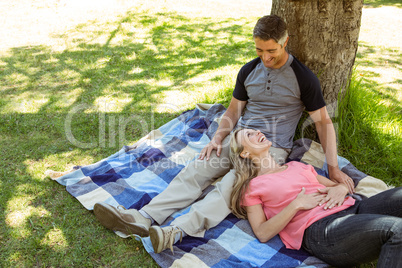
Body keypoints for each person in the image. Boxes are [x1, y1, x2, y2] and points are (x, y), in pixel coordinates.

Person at [93, 15, 355, 254]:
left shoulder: (303, 78)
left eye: (271, 50)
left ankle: (176, 231)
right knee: (196, 171)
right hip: (238, 139)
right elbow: (232, 112)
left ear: (286, 42)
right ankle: (144, 217)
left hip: (270, 148)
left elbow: (323, 123)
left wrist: (332, 169)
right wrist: (218, 138)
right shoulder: (248, 71)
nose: (265, 57)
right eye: (259, 50)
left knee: (231, 185)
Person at [229, 128, 402, 267]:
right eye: (249, 134)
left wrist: (341, 188)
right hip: (323, 230)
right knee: (398, 230)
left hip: (353, 208)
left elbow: (335, 186)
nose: (258, 132)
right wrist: (296, 205)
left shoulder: (297, 165)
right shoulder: (252, 186)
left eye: (256, 130)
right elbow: (262, 233)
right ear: (244, 153)